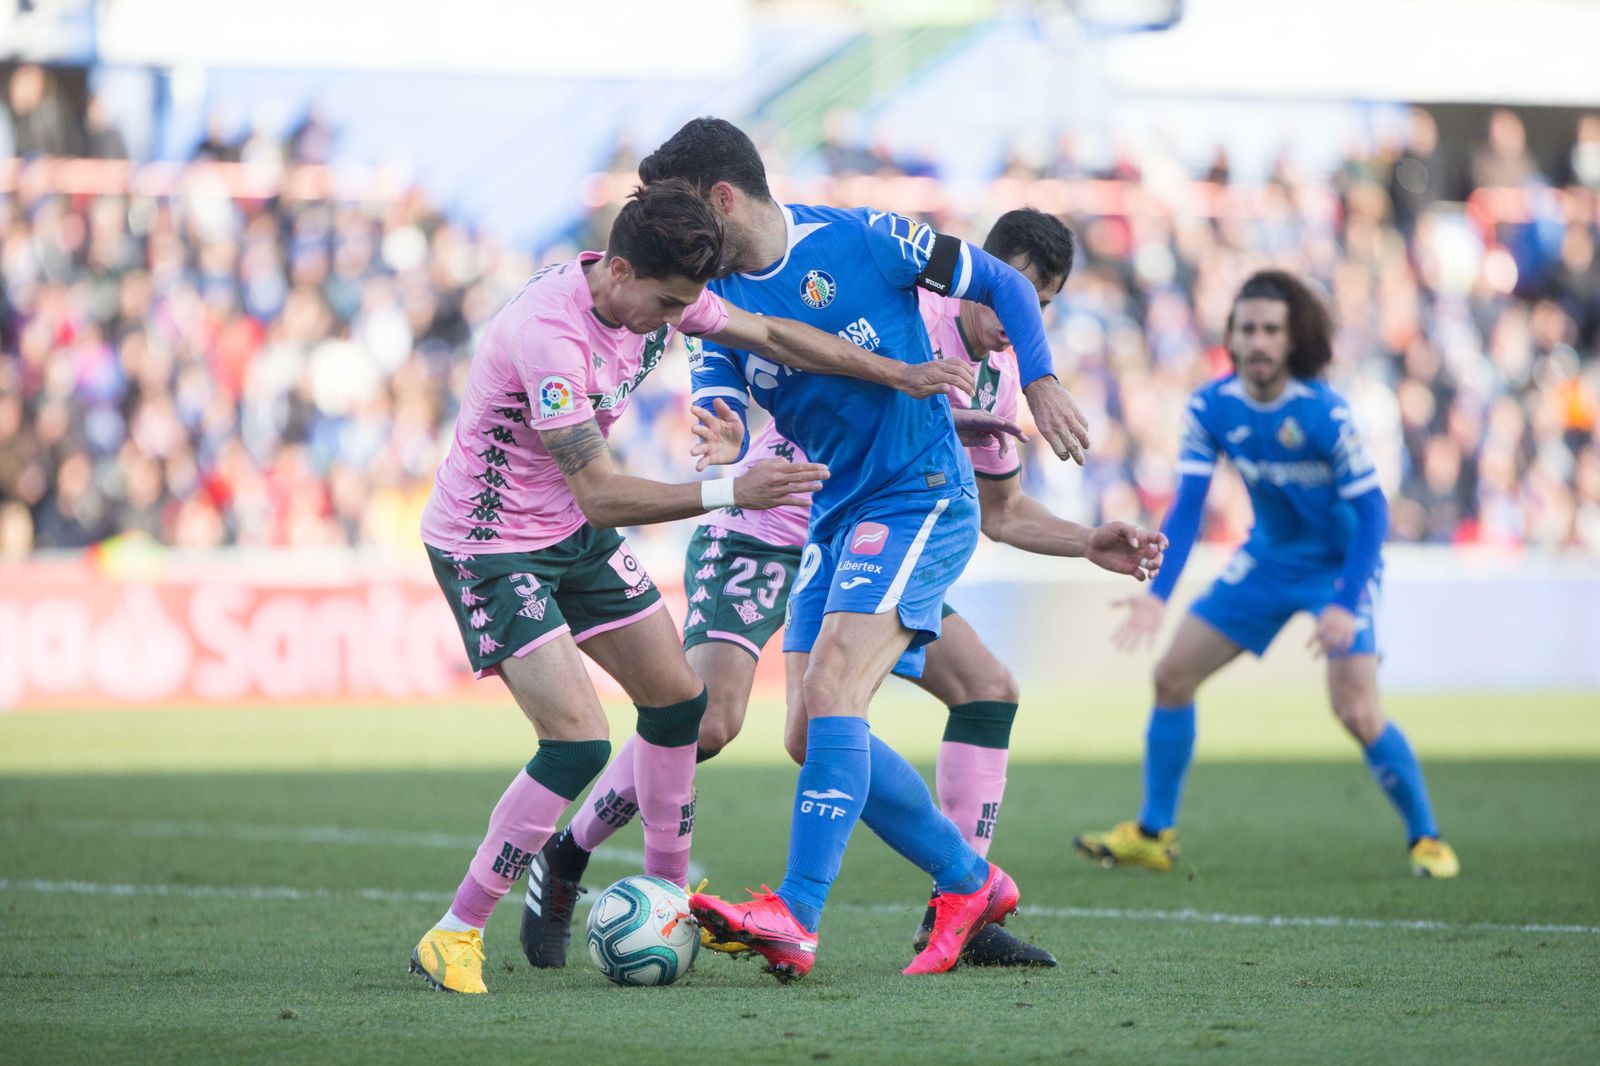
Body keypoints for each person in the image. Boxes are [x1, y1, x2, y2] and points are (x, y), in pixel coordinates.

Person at [527, 209, 1164, 971]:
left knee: (981, 690)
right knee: (710, 719)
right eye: (1017, 294)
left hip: (875, 527)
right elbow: (780, 355)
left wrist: (1085, 543)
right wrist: (729, 422)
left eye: (1045, 305)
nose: (1018, 319)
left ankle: (960, 905)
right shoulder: (904, 292)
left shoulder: (996, 380)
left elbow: (1001, 512)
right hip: (772, 520)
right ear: (982, 273)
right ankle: (569, 852)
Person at [409, 179, 974, 994]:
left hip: (568, 534)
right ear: (621, 270)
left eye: (686, 304)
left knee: (681, 707)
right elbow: (601, 492)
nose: (674, 320)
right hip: (491, 545)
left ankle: (667, 895)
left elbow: (777, 334)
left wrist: (901, 372)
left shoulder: (663, 297)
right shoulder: (548, 337)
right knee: (577, 741)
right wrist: (730, 491)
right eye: (666, 303)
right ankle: (456, 932)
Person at [1072, 270, 1460, 879]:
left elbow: (1373, 512)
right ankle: (1154, 833)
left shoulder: (1323, 412)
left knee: (1356, 711)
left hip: (1338, 571)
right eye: (1247, 329)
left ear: (1292, 338)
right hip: (1268, 562)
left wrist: (1346, 600)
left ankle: (1427, 840)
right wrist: (1158, 595)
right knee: (1172, 676)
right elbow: (1191, 505)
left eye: (1270, 330)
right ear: (1231, 336)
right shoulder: (1210, 406)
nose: (1257, 341)